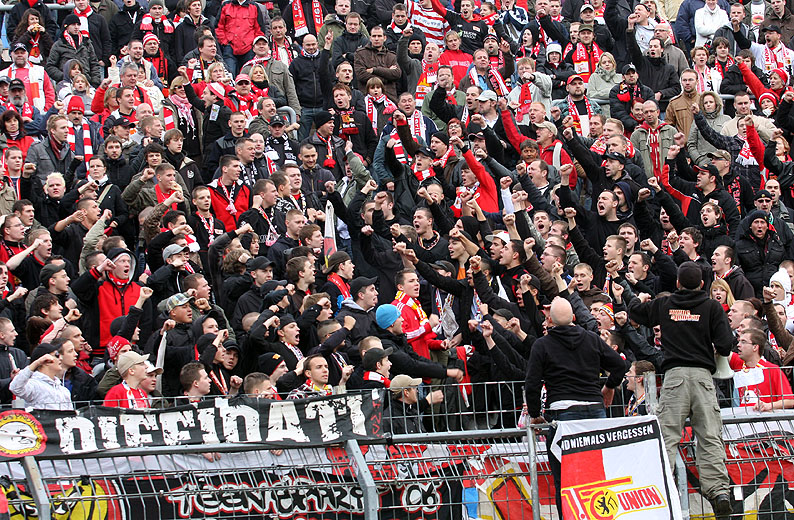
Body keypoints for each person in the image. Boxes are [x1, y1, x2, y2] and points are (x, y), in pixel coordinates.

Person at [627, 262, 733, 519]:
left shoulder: (666, 304)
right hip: (703, 378)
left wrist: (638, 298)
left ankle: (659, 490)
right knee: (709, 435)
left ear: (677, 283)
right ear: (702, 285)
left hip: (674, 378)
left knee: (666, 437)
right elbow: (726, 345)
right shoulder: (712, 307)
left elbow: (637, 313)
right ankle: (719, 493)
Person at [525, 296, 626, 518]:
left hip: (563, 414)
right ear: (573, 317)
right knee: (597, 476)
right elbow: (620, 365)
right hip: (594, 413)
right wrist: (608, 387)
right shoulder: (592, 339)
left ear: (550, 321)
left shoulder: (542, 345)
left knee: (565, 480)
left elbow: (532, 384)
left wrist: (534, 414)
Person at [731, 327, 794, 410]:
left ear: (755, 347)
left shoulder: (772, 369)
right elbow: (722, 352)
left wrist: (768, 406)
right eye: (739, 341)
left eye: (743, 342)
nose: (738, 345)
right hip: (742, 417)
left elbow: (789, 401)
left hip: (766, 417)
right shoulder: (738, 363)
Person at [9, 342, 74, 410]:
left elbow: (71, 414)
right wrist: (37, 363)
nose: (61, 358)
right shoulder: (34, 385)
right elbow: (15, 388)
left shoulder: (63, 390)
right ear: (45, 361)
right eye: (57, 355)